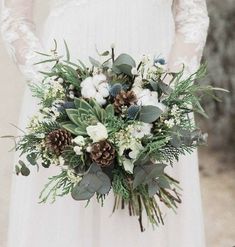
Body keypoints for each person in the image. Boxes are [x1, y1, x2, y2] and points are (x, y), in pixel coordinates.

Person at [1, 0, 209, 246]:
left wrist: (166, 98)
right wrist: (56, 90)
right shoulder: (59, 96)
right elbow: (15, 18)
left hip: (158, 99)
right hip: (64, 103)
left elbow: (192, 17)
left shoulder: (162, 102)